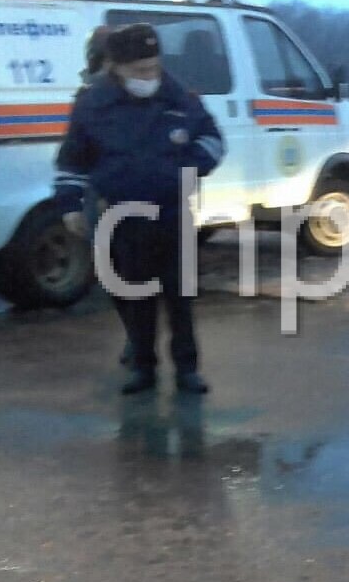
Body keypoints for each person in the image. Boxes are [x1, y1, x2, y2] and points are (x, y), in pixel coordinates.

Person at [53, 23, 225, 395]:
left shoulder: (178, 97)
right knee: (136, 295)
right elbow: (72, 160)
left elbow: (212, 139)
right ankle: (143, 367)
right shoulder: (94, 104)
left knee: (180, 296)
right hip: (123, 215)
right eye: (140, 71)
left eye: (154, 67)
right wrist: (69, 205)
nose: (150, 77)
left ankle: (187, 370)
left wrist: (186, 170)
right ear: (116, 67)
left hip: (171, 211)